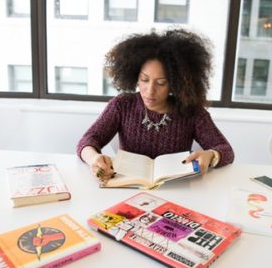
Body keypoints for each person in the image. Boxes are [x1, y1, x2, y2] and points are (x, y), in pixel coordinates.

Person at [76, 28, 234, 183]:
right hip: (128, 188)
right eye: (144, 80)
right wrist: (94, 158)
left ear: (175, 84)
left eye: (161, 83)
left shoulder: (191, 111)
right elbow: (87, 140)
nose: (150, 91)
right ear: (135, 77)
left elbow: (226, 150)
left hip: (177, 190)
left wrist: (211, 155)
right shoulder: (122, 105)